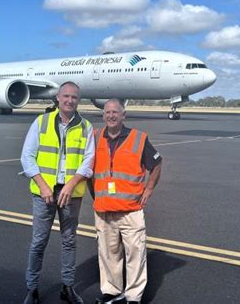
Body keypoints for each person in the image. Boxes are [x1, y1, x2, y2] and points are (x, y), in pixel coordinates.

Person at [20, 81, 94, 304]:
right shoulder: (41, 122)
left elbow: (89, 160)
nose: (70, 101)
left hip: (70, 193)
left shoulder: (86, 126)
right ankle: (32, 289)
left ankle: (67, 287)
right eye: (66, 96)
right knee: (39, 242)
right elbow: (27, 157)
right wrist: (43, 186)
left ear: (78, 101)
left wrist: (71, 185)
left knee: (69, 241)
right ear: (58, 98)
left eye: (74, 97)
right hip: (44, 192)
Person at [90, 99, 162, 304]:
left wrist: (148, 189)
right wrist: (95, 194)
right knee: (108, 253)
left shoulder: (138, 139)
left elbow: (156, 163)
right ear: (103, 115)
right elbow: (87, 170)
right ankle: (112, 291)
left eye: (115, 112)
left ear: (124, 115)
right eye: (107, 112)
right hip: (104, 209)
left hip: (131, 209)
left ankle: (133, 297)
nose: (111, 116)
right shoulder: (94, 138)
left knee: (135, 255)